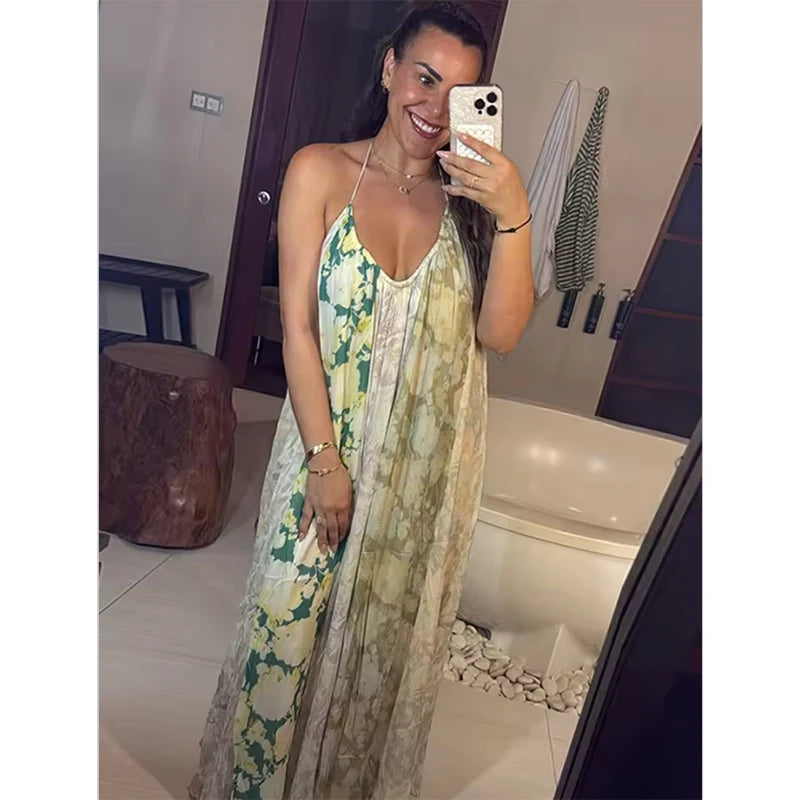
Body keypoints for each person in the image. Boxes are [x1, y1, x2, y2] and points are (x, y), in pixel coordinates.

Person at [190, 3, 533, 798]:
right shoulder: (320, 171)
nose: (435, 106)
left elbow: (501, 333)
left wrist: (513, 211)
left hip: (419, 492)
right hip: (323, 460)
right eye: (424, 77)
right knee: (281, 645)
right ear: (388, 67)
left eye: (459, 93)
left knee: (373, 670)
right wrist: (323, 462)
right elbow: (297, 328)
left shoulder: (475, 209)